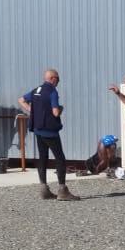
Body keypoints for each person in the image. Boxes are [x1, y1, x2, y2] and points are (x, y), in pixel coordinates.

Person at [18, 69, 79, 200]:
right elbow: (55, 112)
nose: (58, 82)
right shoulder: (52, 91)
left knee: (43, 157)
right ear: (52, 78)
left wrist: (32, 111)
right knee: (60, 158)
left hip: (38, 130)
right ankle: (62, 190)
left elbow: (21, 100)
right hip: (50, 131)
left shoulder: (36, 90)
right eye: (58, 79)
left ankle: (44, 188)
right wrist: (61, 108)